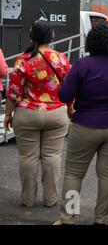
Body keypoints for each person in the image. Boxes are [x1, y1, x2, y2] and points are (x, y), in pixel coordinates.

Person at [52, 22, 108, 225]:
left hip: (85, 126)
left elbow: (64, 95)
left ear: (92, 40)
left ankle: (68, 218)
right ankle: (100, 219)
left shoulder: (82, 65)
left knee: (74, 173)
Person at [4, 20, 71, 208]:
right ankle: (50, 199)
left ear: (32, 37)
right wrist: (71, 108)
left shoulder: (24, 60)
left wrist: (8, 114)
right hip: (56, 114)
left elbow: (14, 92)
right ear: (51, 37)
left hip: (27, 114)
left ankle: (28, 199)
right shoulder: (61, 59)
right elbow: (69, 88)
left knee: (28, 158)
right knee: (52, 157)